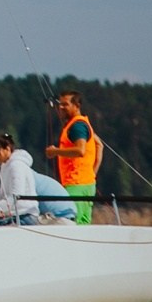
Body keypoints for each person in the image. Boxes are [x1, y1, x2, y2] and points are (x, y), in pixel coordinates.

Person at [47, 92, 102, 224]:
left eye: (65, 104)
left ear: (77, 106)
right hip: (87, 184)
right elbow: (99, 145)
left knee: (72, 223)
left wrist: (56, 151)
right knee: (83, 224)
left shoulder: (77, 126)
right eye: (60, 104)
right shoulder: (82, 124)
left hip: (76, 184)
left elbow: (80, 150)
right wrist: (92, 174)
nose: (60, 107)